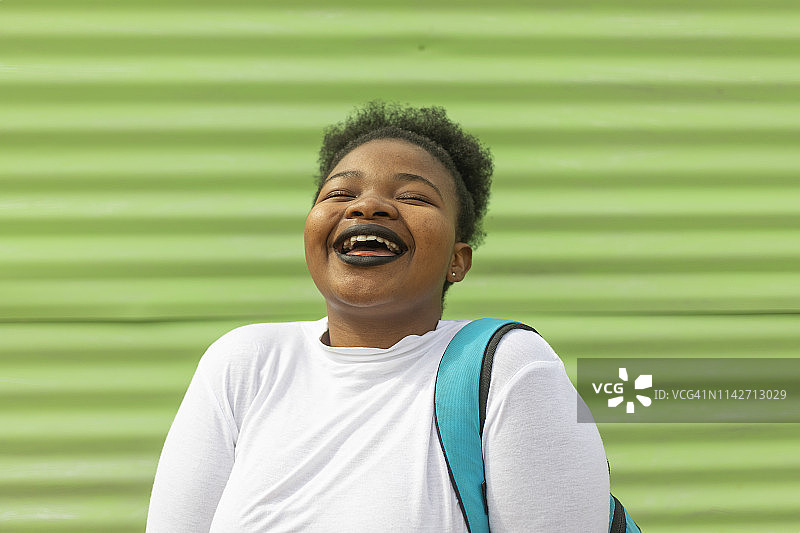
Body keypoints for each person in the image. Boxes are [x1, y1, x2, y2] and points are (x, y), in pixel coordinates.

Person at [146, 101, 610, 532]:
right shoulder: (243, 363)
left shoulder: (510, 366)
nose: (366, 206)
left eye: (414, 197)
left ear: (458, 260)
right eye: (340, 193)